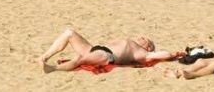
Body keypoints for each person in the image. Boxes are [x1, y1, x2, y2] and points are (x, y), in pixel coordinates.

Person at [38, 28, 175, 73]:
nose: (141, 38)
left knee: (80, 58)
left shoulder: (142, 53)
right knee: (69, 33)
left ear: (148, 47)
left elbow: (162, 54)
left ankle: (52, 69)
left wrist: (173, 54)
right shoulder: (132, 43)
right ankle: (44, 57)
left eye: (145, 40)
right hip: (95, 49)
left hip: (107, 56)